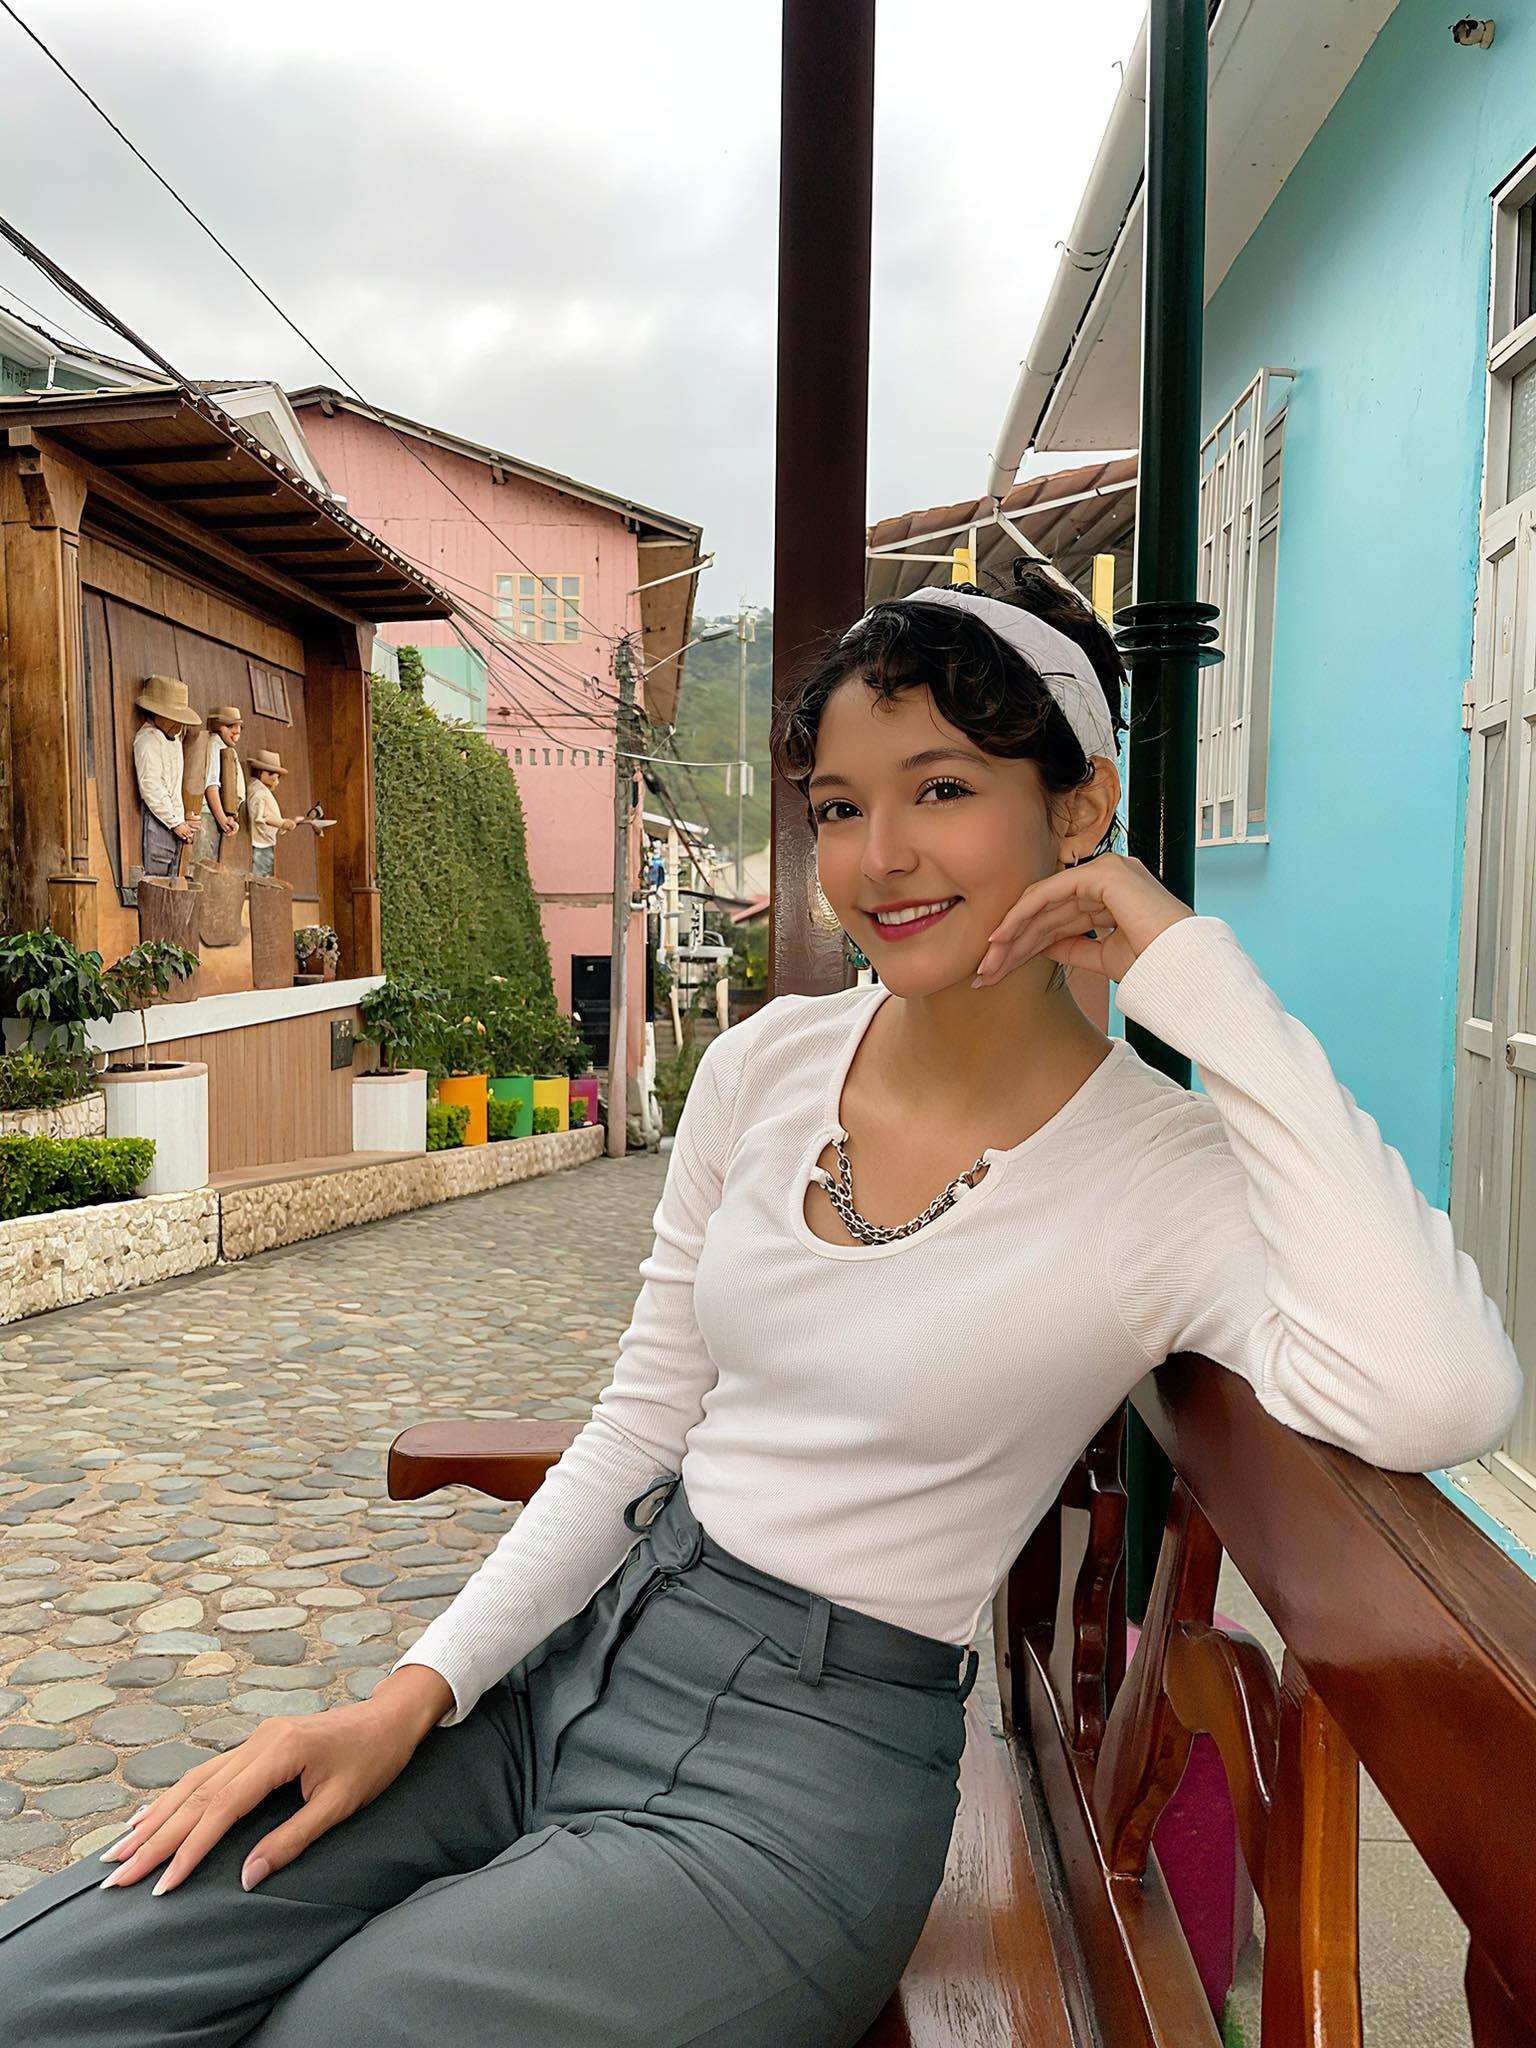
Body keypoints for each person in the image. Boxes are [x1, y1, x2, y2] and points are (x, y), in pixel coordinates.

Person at [0, 572, 1522, 2048]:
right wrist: (406, 1698)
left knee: (348, 2029)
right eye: (839, 809)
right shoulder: (766, 1065)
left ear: (1079, 812)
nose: (880, 859)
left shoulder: (1162, 1176)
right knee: (65, 1977)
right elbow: (639, 1426)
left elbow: (1441, 1388)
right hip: (580, 1664)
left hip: (798, 1785)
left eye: (941, 790)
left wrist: (1199, 978)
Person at [130, 675, 202, 892]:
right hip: (159, 820)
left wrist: (182, 818)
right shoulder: (148, 739)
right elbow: (151, 786)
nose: (178, 724)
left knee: (171, 884)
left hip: (173, 822)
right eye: (173, 718)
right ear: (158, 714)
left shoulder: (173, 740)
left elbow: (174, 786)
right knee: (157, 883)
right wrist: (174, 821)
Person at [193, 705, 245, 866]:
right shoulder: (214, 744)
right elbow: (211, 784)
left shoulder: (222, 746)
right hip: (206, 813)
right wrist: (222, 818)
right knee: (203, 866)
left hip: (213, 813)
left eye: (239, 727)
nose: (236, 731)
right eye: (230, 726)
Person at [243, 749, 297, 878]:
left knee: (264, 874)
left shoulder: (260, 789)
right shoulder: (259, 792)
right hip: (260, 843)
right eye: (274, 777)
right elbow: (260, 817)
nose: (276, 781)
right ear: (263, 773)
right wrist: (282, 823)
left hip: (264, 841)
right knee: (261, 877)